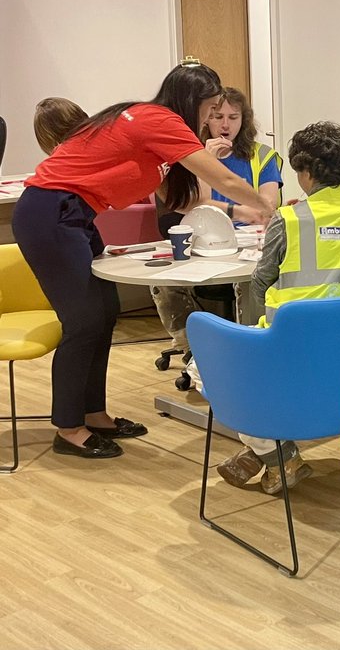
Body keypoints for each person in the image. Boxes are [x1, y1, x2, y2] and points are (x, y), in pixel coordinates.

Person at [11, 62, 275, 459]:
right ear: (194, 101)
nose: (212, 118)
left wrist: (244, 214)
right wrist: (271, 208)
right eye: (211, 108)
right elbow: (227, 180)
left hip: (75, 213)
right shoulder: (159, 120)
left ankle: (94, 414)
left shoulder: (154, 127)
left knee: (103, 313)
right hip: (49, 211)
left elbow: (185, 199)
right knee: (83, 322)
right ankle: (67, 428)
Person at [215, 121, 340, 494]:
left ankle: (279, 457)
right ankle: (268, 459)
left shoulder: (291, 219)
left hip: (298, 368)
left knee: (214, 367)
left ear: (306, 173)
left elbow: (259, 284)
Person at [150, 87, 283, 352]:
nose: (225, 125)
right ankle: (193, 348)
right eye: (217, 116)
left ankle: (247, 347)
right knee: (162, 281)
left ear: (244, 120)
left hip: (247, 242)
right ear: (206, 119)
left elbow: (270, 204)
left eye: (233, 117)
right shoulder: (188, 155)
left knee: (250, 278)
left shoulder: (263, 155)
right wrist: (206, 160)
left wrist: (248, 212)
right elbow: (199, 201)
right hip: (204, 241)